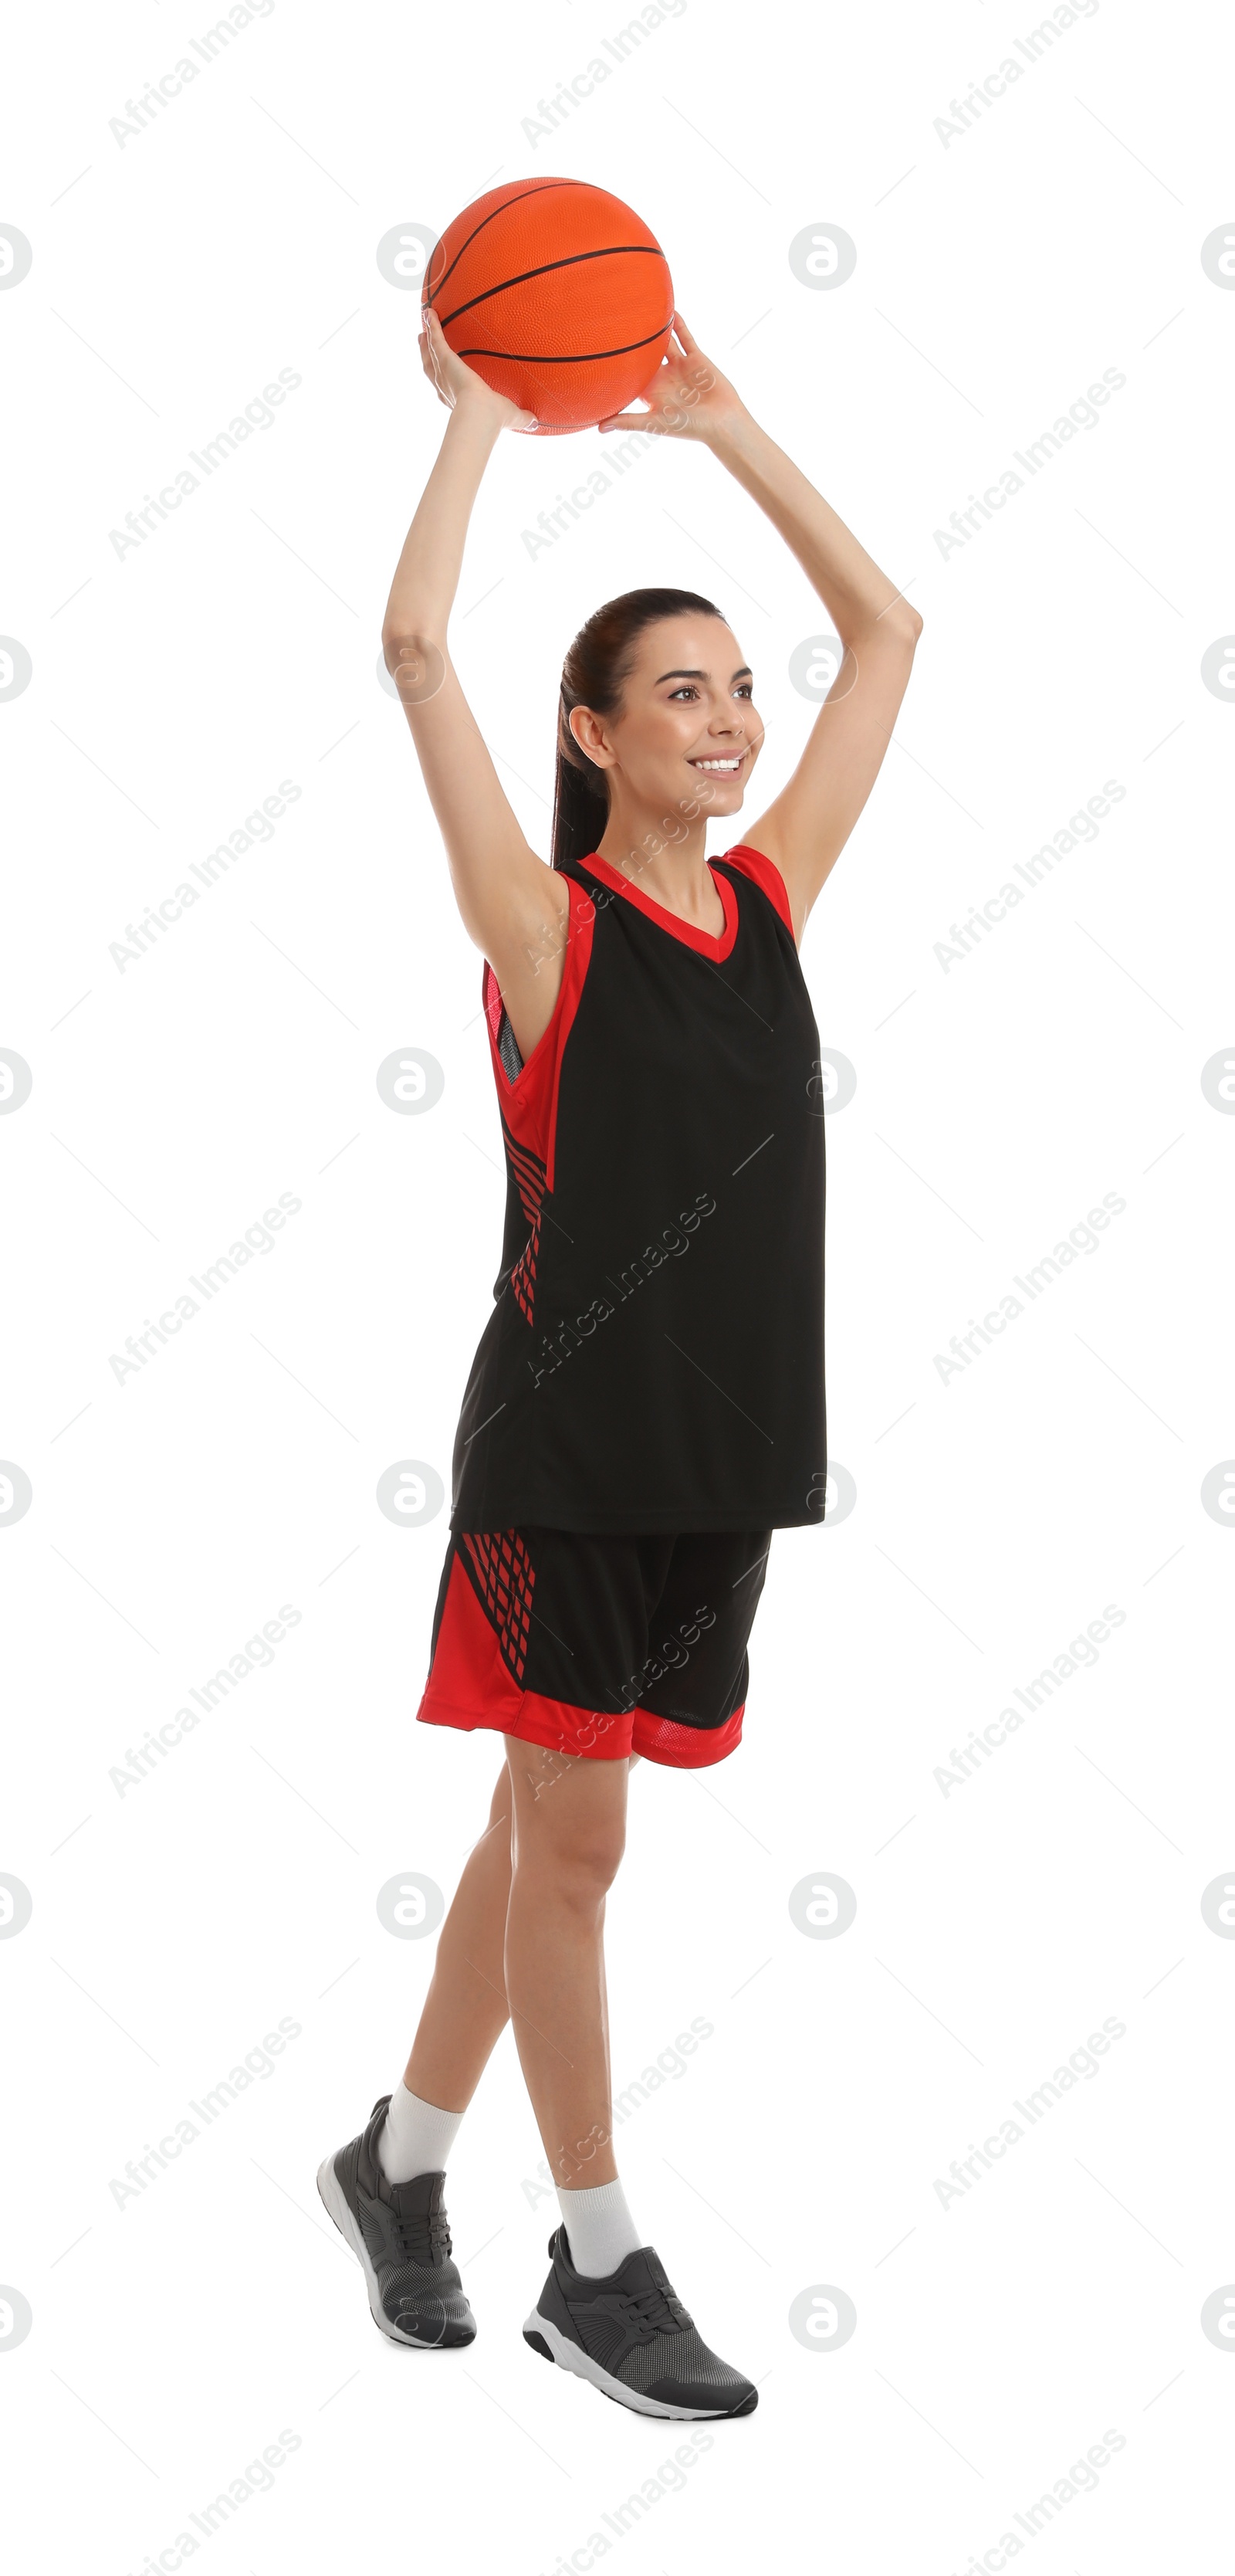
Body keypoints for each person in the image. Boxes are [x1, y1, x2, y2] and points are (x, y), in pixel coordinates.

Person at [317, 306, 922, 2418]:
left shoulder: (771, 903)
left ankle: (394, 2168)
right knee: (578, 1854)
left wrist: (730, 424)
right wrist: (486, 418)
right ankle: (598, 2255)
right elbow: (412, 653)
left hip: (722, 1466)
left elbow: (896, 630)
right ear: (590, 732)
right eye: (683, 692)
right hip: (566, 1457)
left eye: (741, 689)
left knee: (538, 1823)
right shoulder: (543, 930)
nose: (735, 718)